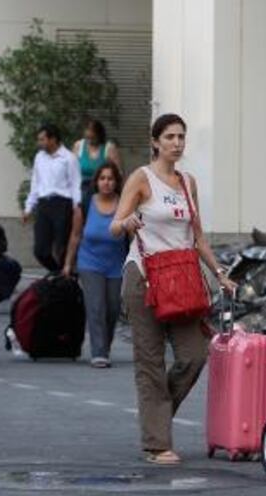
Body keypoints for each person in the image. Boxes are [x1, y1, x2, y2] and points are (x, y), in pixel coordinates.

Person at [110, 113, 236, 466]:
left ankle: (157, 415)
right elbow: (114, 226)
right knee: (150, 361)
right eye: (169, 137)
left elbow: (197, 237)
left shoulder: (187, 182)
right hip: (145, 278)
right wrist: (128, 221)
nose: (177, 143)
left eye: (181, 137)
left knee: (194, 353)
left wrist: (219, 273)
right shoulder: (141, 178)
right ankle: (156, 444)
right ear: (155, 142)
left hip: (181, 281)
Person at [63, 162, 129, 369]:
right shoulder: (85, 204)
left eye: (110, 179)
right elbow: (75, 236)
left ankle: (104, 347)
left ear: (116, 182)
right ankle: (98, 352)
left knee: (112, 308)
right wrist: (68, 263)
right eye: (102, 179)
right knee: (96, 307)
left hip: (116, 264)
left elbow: (134, 236)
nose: (106, 183)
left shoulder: (125, 205)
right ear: (97, 182)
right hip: (89, 263)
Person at [23, 124, 82, 272]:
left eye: (42, 139)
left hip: (62, 204)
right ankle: (57, 273)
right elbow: (35, 183)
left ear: (53, 139)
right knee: (40, 250)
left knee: (61, 246)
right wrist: (28, 207)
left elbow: (75, 184)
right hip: (44, 205)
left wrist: (77, 207)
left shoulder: (69, 158)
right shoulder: (39, 157)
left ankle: (65, 277)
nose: (39, 143)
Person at [72, 119, 123, 202]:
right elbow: (71, 171)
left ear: (99, 135)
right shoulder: (79, 146)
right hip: (82, 190)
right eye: (87, 138)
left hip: (103, 190)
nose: (90, 141)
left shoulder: (109, 148)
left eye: (93, 137)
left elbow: (119, 173)